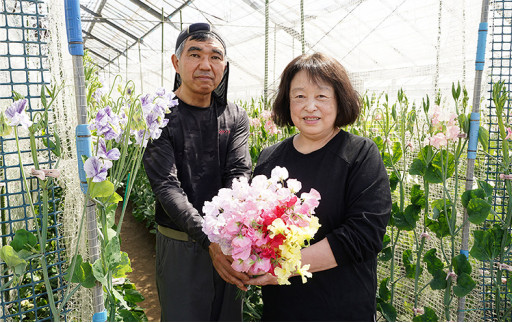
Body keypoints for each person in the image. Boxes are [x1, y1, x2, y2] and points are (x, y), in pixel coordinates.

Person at [246, 52, 392, 321]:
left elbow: (364, 236)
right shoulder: (269, 158)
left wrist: (285, 266)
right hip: (282, 309)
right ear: (287, 101)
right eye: (299, 96)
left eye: (321, 96)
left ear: (340, 100)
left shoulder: (360, 154)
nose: (309, 106)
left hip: (342, 309)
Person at [143, 22, 251, 321]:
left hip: (228, 240)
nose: (206, 64)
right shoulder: (160, 114)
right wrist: (208, 239)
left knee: (228, 315)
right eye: (195, 54)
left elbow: (239, 173)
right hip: (181, 242)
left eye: (215, 57)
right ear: (176, 62)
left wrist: (226, 234)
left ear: (224, 65)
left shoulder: (234, 115)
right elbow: (166, 185)